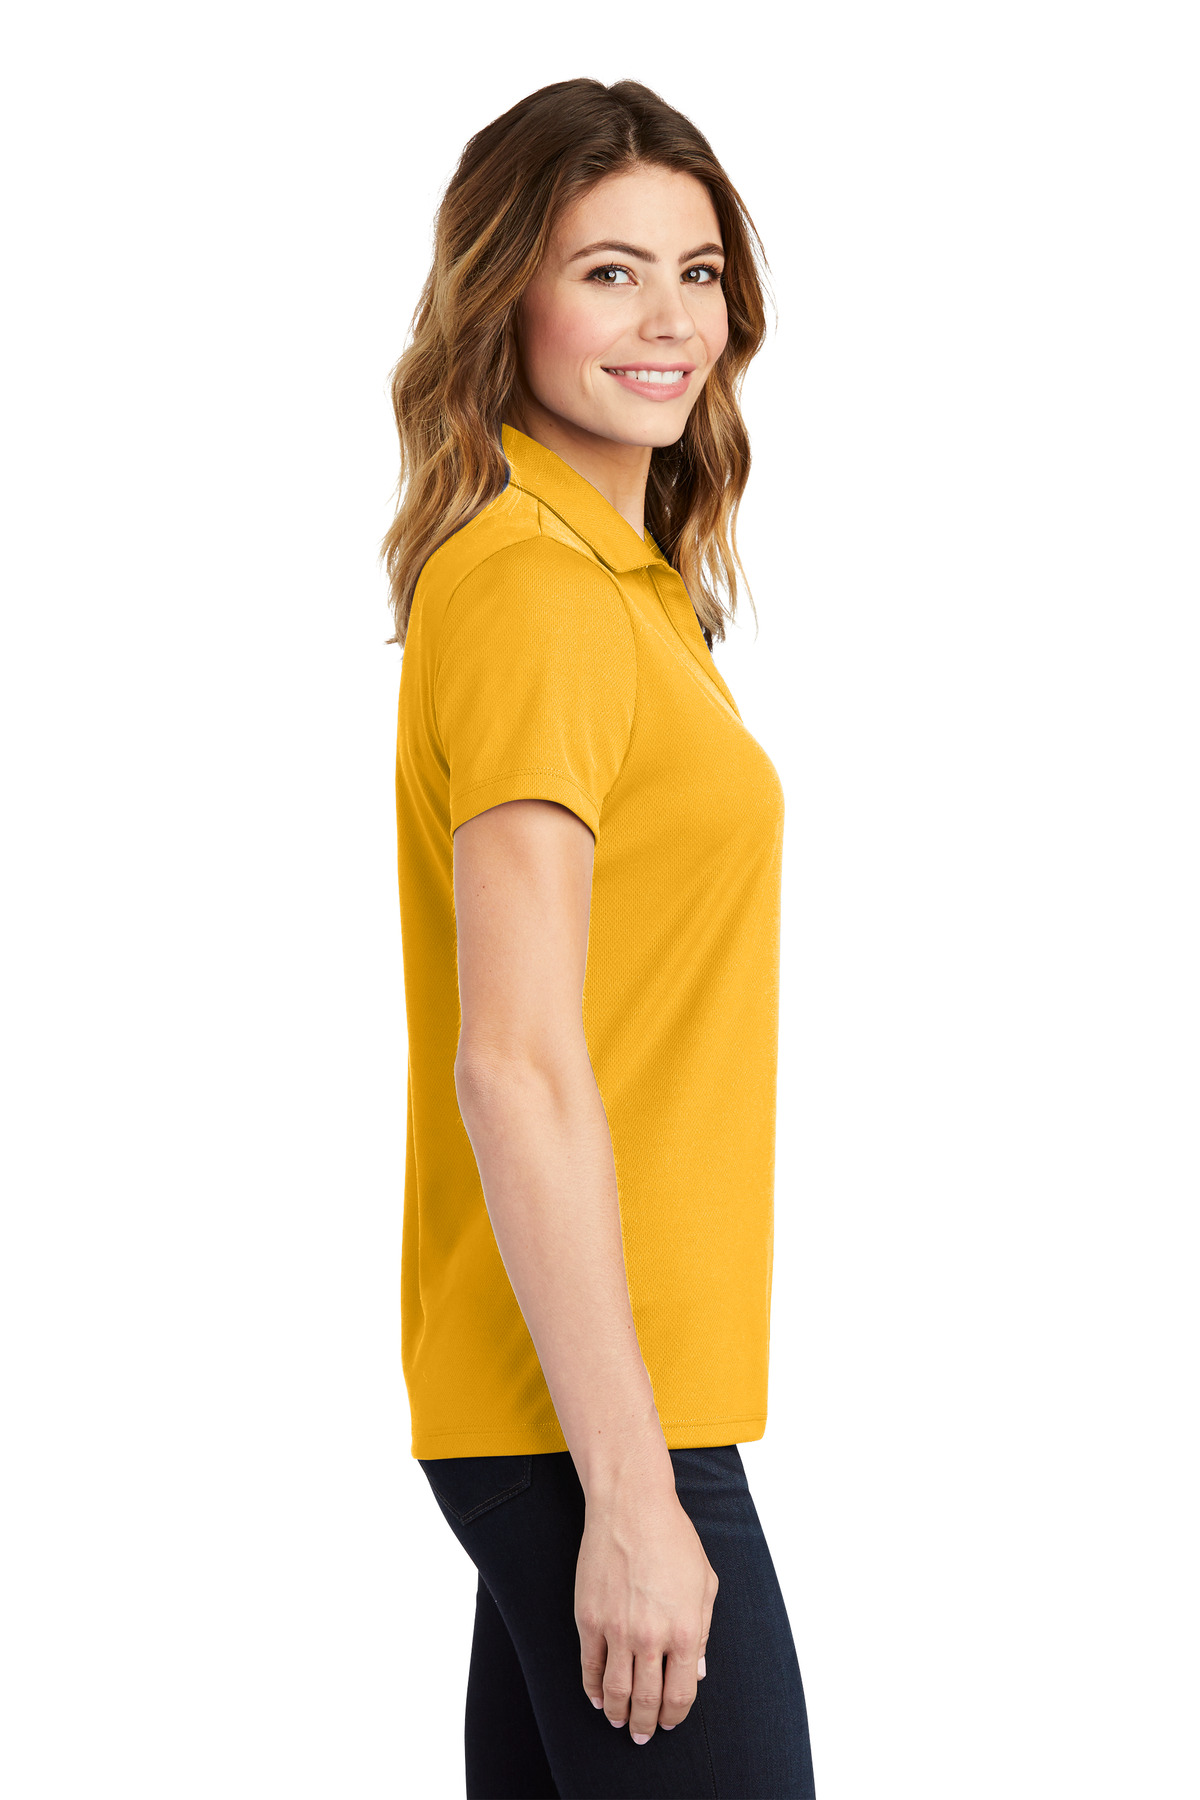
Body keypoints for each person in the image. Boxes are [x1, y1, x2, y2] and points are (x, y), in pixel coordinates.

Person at [383, 77, 817, 1800]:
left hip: (595, 1396)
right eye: (609, 271)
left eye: (696, 273)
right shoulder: (538, 593)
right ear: (508, 297)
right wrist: (631, 1490)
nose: (669, 321)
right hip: (591, 1416)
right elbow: (513, 1060)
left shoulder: (621, 588)